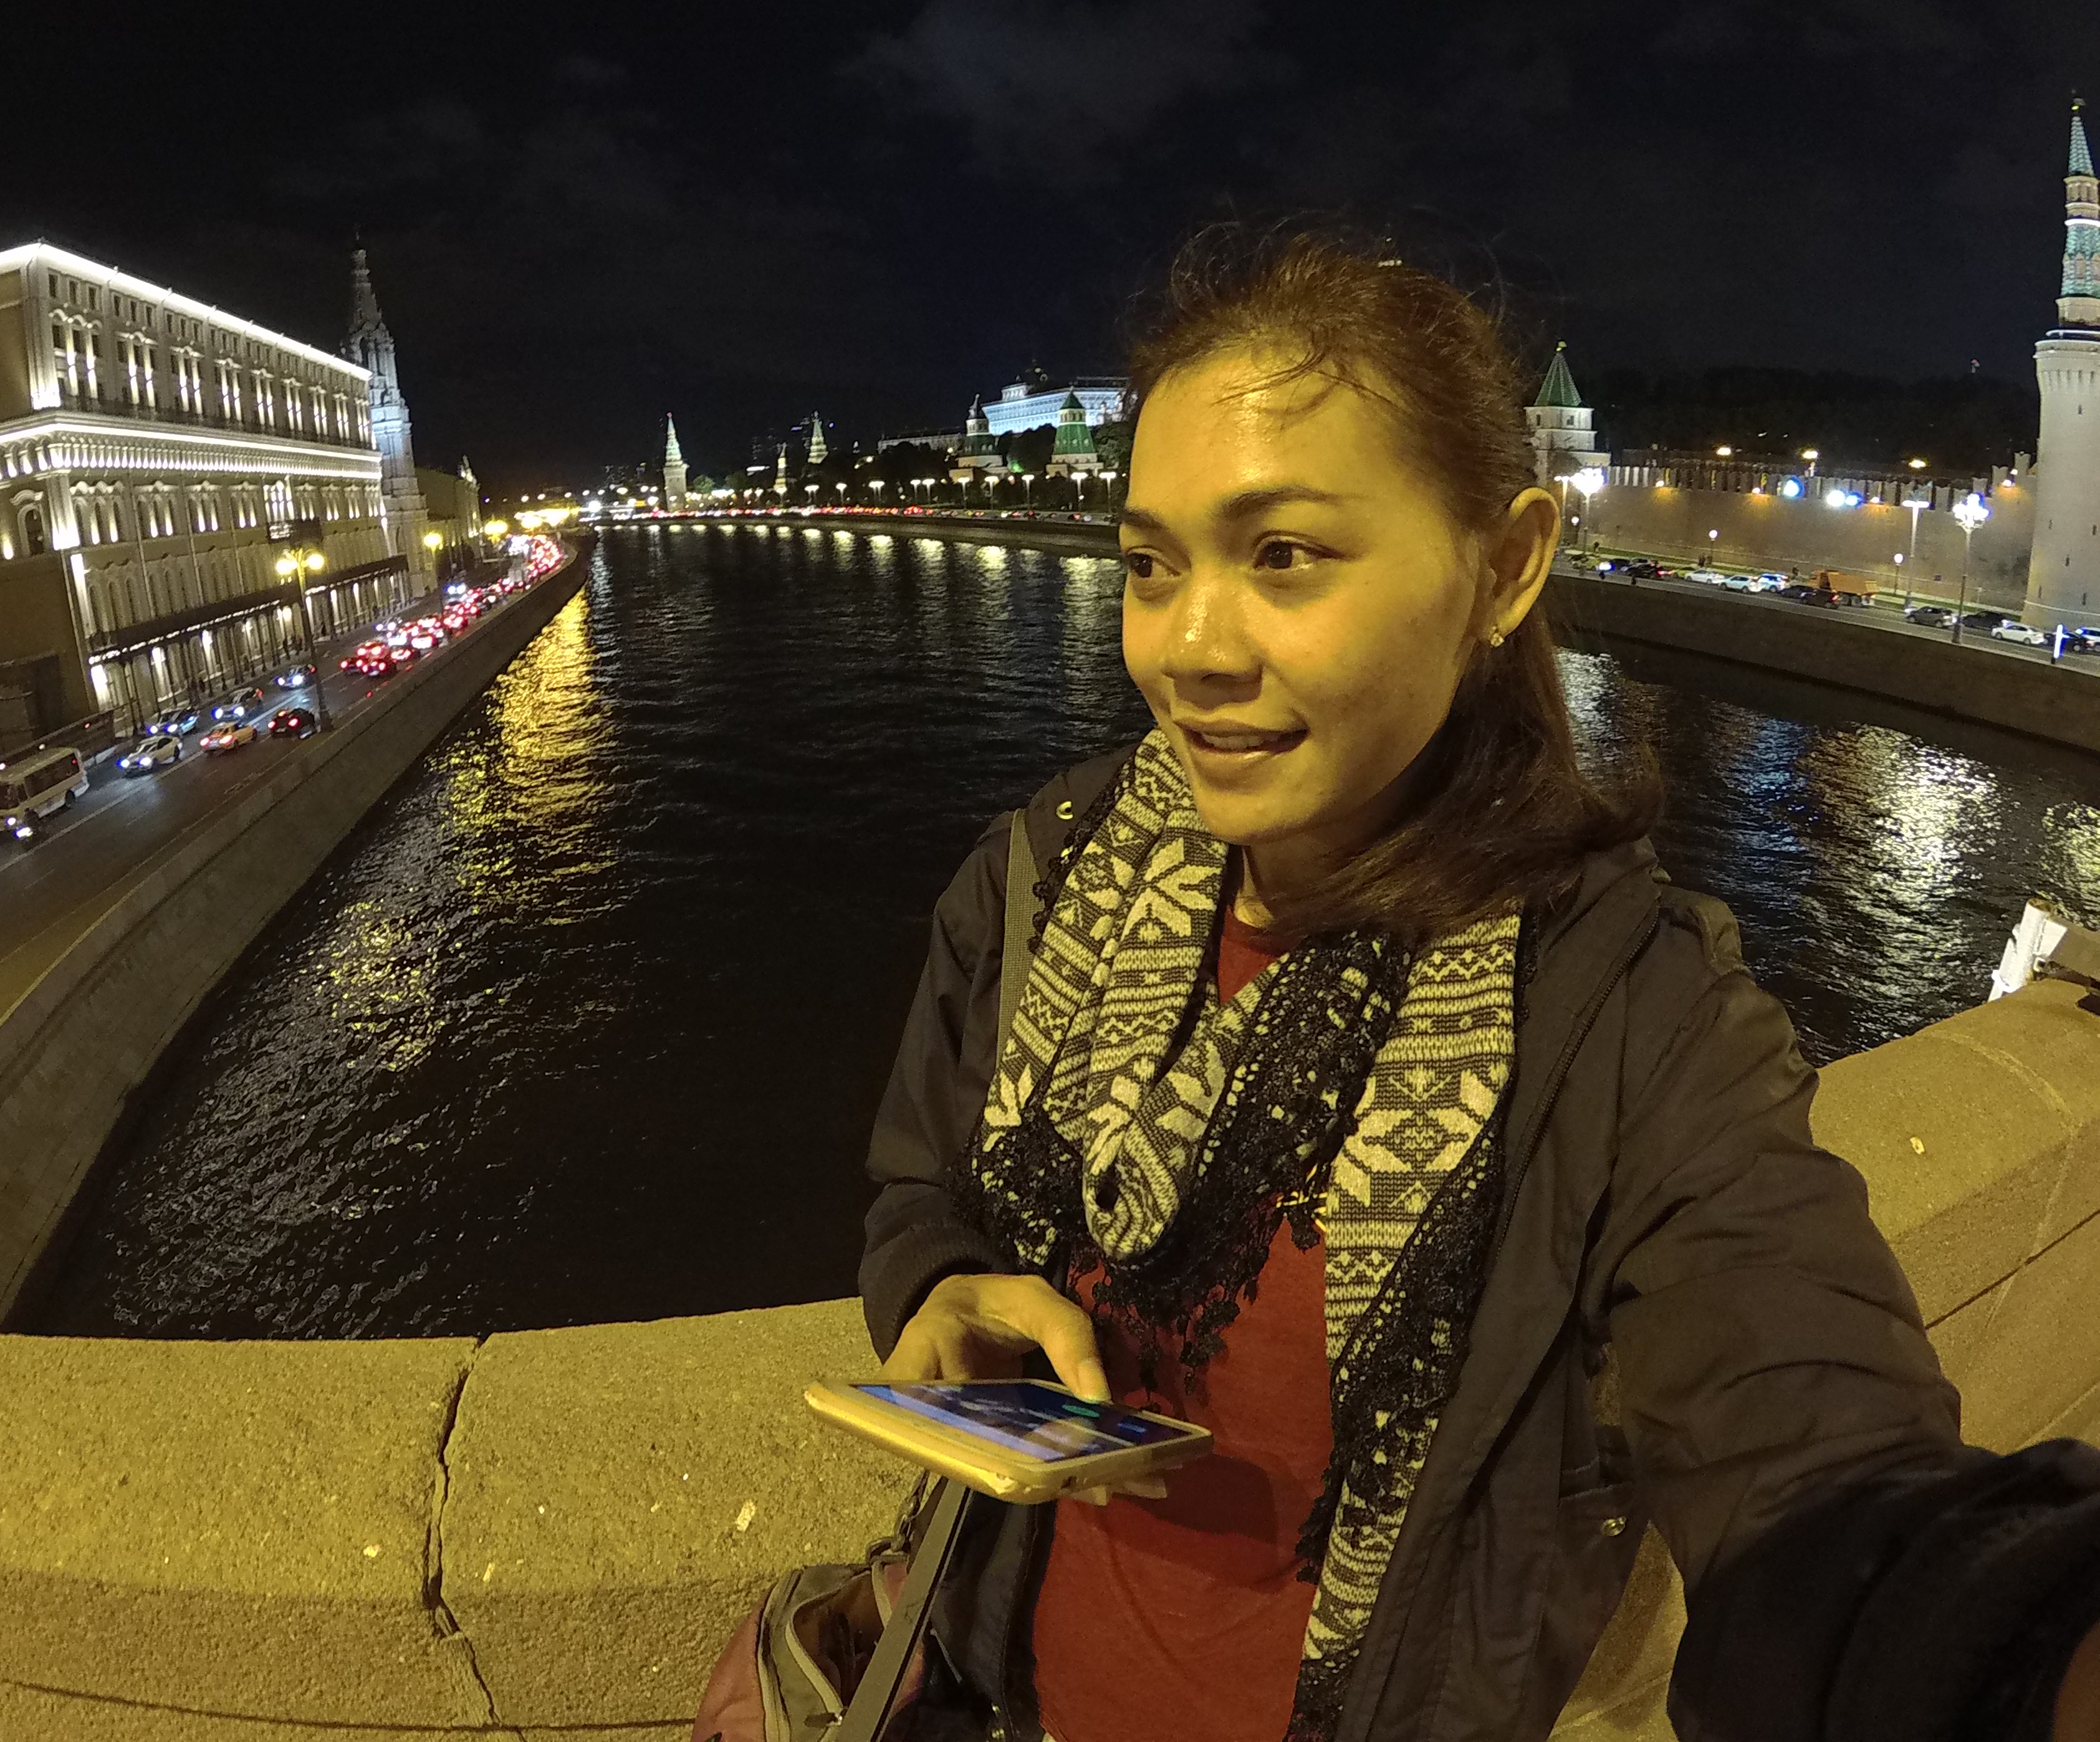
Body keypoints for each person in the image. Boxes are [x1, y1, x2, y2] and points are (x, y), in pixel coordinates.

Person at [857, 228, 2100, 1742]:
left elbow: (1814, 1471)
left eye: (1281, 555)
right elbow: (920, 1182)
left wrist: (2016, 1653)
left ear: (1502, 566)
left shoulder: (1624, 1016)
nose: (1185, 648)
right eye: (1147, 564)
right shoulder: (1038, 875)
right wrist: (932, 1282)